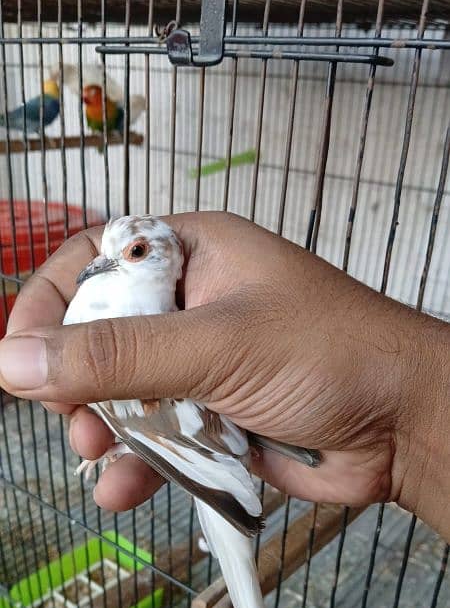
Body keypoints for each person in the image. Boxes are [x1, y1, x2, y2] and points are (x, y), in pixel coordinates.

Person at [0, 212, 448, 541]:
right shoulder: (114, 291)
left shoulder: (135, 312)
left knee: (109, 437)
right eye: (107, 253)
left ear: (165, 262)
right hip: (211, 434)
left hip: (199, 445)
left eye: (134, 252)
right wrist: (400, 433)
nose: (100, 264)